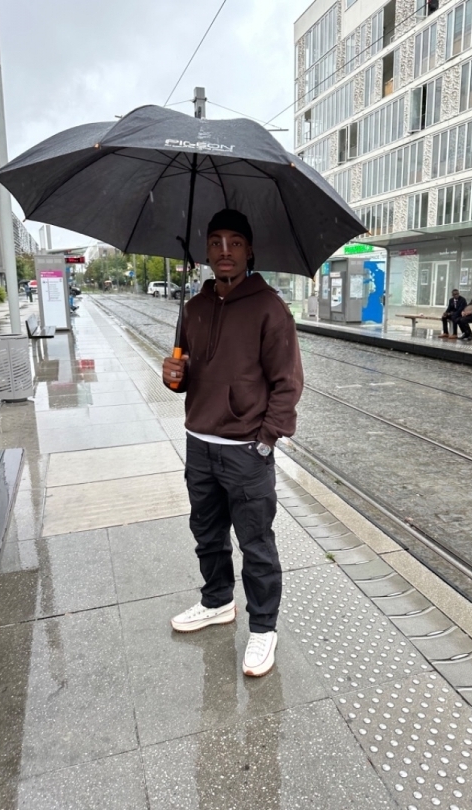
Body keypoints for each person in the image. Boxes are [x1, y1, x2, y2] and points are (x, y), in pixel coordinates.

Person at [162, 208, 303, 678]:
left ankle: (263, 628)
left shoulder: (269, 308)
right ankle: (217, 601)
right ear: (206, 250)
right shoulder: (193, 308)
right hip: (198, 444)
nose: (225, 251)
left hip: (245, 450)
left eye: (235, 243)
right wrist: (174, 377)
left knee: (255, 542)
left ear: (249, 251)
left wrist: (265, 441)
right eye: (216, 242)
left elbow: (287, 384)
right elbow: (188, 378)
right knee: (207, 533)